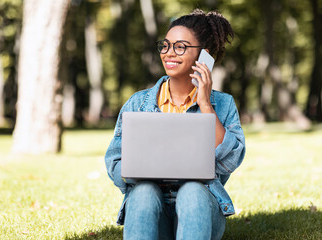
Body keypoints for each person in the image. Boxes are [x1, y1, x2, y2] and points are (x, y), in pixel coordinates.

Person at [105, 9, 246, 240]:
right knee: (143, 192)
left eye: (180, 47)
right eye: (166, 45)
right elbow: (114, 162)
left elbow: (230, 160)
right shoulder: (138, 103)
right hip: (151, 209)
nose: (169, 53)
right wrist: (141, 172)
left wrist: (205, 106)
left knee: (191, 190)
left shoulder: (223, 104)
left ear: (203, 56)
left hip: (200, 207)